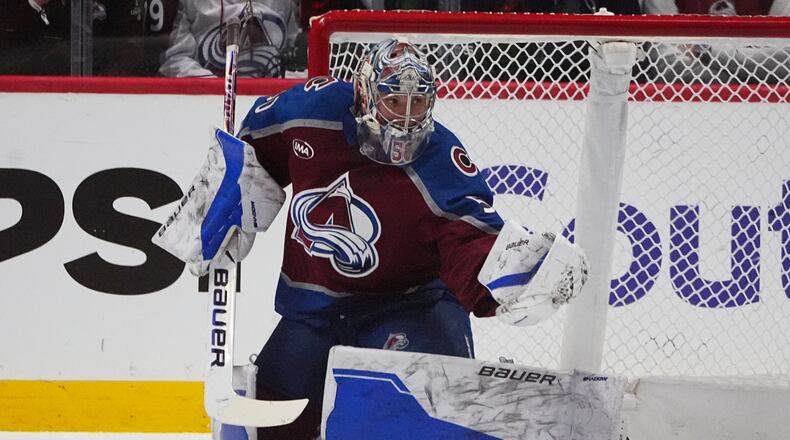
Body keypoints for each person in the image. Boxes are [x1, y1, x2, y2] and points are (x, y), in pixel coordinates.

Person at [153, 38, 589, 439]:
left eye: (417, 105)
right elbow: (255, 144)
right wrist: (224, 196)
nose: (404, 119)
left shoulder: (441, 161)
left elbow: (470, 238)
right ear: (365, 95)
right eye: (394, 101)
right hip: (316, 309)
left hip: (409, 306)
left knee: (431, 415)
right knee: (271, 418)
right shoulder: (311, 111)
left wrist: (513, 274)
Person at [159, 0, 300, 78]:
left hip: (268, 101)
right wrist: (214, 86)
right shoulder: (192, 2)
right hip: (206, 100)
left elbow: (294, 60)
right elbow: (174, 60)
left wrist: (274, 83)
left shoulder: (284, 3)